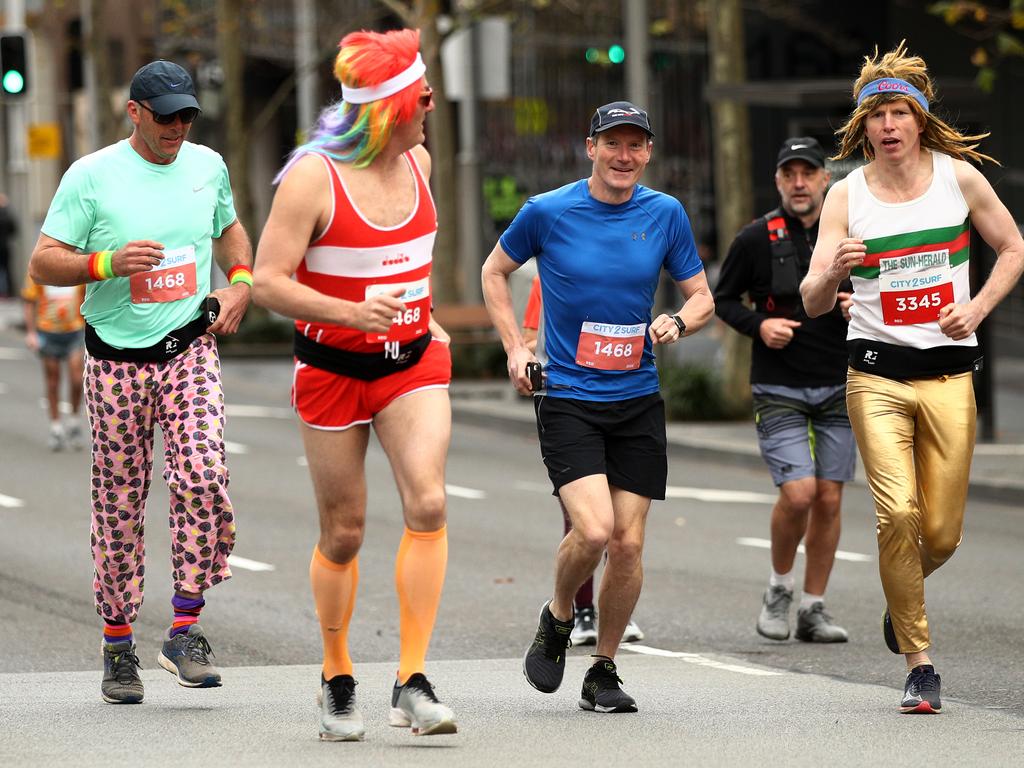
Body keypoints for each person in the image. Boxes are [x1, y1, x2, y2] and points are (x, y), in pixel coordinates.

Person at [801, 42, 1024, 714]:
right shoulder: (845, 194)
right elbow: (812, 300)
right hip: (875, 376)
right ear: (863, 126)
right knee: (896, 513)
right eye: (878, 115)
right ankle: (920, 663)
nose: (889, 125)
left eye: (900, 112)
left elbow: (1012, 248)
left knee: (943, 534)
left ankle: (902, 596)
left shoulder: (960, 179)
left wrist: (978, 307)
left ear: (920, 120)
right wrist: (833, 270)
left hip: (951, 375)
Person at [252, 29, 457, 741]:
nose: (433, 105)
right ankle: (337, 676)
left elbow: (411, 263)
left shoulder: (422, 161)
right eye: (423, 96)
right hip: (332, 369)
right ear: (390, 107)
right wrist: (350, 312)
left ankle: (413, 678)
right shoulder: (314, 177)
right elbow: (270, 280)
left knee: (428, 500)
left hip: (411, 364)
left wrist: (428, 318)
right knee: (344, 531)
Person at [28, 60, 253, 705]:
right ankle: (118, 644)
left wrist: (240, 283)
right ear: (135, 113)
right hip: (115, 360)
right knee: (120, 503)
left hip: (189, 348)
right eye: (166, 117)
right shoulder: (91, 176)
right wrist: (105, 262)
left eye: (187, 116)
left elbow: (229, 228)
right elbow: (43, 260)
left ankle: (185, 628)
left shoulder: (207, 166)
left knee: (205, 474)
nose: (178, 127)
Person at [481, 101, 714, 714]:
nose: (624, 156)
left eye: (636, 145)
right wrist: (515, 348)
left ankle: (603, 669)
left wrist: (676, 322)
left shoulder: (665, 214)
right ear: (590, 148)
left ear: (648, 153)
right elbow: (493, 271)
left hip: (636, 398)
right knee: (595, 529)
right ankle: (559, 614)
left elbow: (702, 298)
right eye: (613, 143)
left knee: (630, 546)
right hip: (569, 398)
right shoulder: (548, 211)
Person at [714, 137, 855, 645]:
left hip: (840, 381)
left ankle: (814, 607)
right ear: (778, 182)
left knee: (831, 498)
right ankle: (779, 587)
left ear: (825, 180)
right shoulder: (755, 238)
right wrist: (759, 326)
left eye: (808, 173)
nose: (799, 183)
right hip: (779, 384)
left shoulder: (851, 235)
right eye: (789, 174)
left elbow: (882, 292)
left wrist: (856, 307)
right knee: (799, 494)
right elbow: (722, 299)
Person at [522, 274, 645, 647]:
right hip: (567, 398)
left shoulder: (622, 268)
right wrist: (530, 358)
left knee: (621, 518)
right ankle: (580, 608)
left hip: (623, 399)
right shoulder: (552, 271)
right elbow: (529, 336)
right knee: (584, 518)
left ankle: (606, 610)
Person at [21, 273, 87, 450]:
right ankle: (56, 428)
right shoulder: (41, 269)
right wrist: (31, 333)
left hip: (74, 331)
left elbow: (87, 295)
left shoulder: (75, 266)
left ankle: (73, 422)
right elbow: (29, 301)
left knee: (76, 379)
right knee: (52, 381)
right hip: (48, 331)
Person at [0, 192, 15, 296]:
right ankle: (7, 292)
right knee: (6, 268)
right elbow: (13, 230)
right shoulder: (7, 215)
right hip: (5, 246)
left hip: (4, 246)